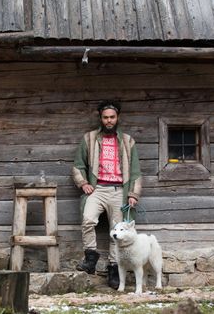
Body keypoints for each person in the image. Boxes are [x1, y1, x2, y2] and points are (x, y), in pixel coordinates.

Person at [72, 100, 142, 289]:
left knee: (116, 230)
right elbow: (78, 165)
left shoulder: (128, 141)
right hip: (98, 188)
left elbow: (135, 171)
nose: (109, 121)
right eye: (105, 117)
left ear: (117, 118)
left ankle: (113, 269)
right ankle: (91, 257)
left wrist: (133, 194)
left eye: (112, 117)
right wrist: (84, 183)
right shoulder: (89, 138)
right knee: (88, 219)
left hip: (120, 190)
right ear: (101, 119)